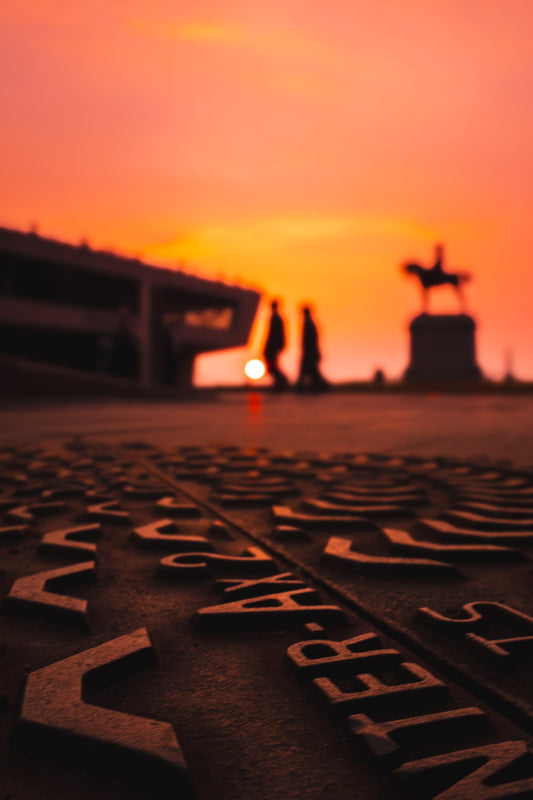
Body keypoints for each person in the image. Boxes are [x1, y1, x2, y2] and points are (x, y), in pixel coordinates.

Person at [296, 306, 330, 392]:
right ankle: (305, 387)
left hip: (310, 352)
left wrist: (309, 351)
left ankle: (301, 387)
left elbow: (310, 340)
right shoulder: (309, 323)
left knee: (311, 371)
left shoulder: (309, 324)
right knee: (312, 372)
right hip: (310, 352)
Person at [262, 300, 289, 390]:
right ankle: (280, 382)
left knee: (272, 365)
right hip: (272, 345)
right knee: (272, 365)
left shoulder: (276, 318)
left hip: (273, 345)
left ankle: (282, 381)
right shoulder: (275, 318)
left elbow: (277, 333)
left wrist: (280, 344)